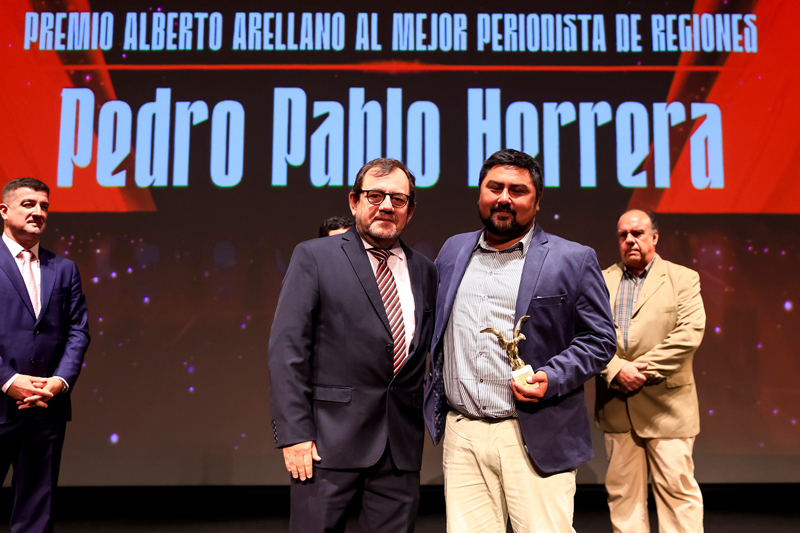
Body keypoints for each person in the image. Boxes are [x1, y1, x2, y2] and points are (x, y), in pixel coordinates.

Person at [423, 149, 616, 532]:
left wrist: (552, 376)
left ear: (537, 201)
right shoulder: (452, 251)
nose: (504, 198)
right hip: (464, 432)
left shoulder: (573, 259)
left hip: (532, 431)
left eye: (518, 190)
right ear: (480, 193)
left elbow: (600, 339)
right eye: (495, 187)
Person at [269, 158, 437, 533]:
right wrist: (295, 433)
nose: (387, 206)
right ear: (354, 202)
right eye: (375, 195)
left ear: (410, 209)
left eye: (398, 198)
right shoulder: (314, 256)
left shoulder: (426, 270)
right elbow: (288, 350)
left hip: (399, 451)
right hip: (326, 447)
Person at [595, 209, 706, 533]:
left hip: (668, 409)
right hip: (618, 406)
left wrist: (638, 371)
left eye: (637, 233)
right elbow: (585, 334)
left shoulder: (683, 278)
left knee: (677, 498)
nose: (630, 240)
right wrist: (616, 369)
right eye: (623, 235)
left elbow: (688, 335)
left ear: (654, 237)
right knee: (623, 499)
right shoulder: (601, 281)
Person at [0, 177, 90, 533]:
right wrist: (7, 380)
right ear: (4, 210)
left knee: (36, 514)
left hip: (45, 407)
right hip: (1, 400)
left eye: (44, 206)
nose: (38, 212)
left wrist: (58, 382)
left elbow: (77, 332)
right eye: (28, 204)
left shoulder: (63, 268)